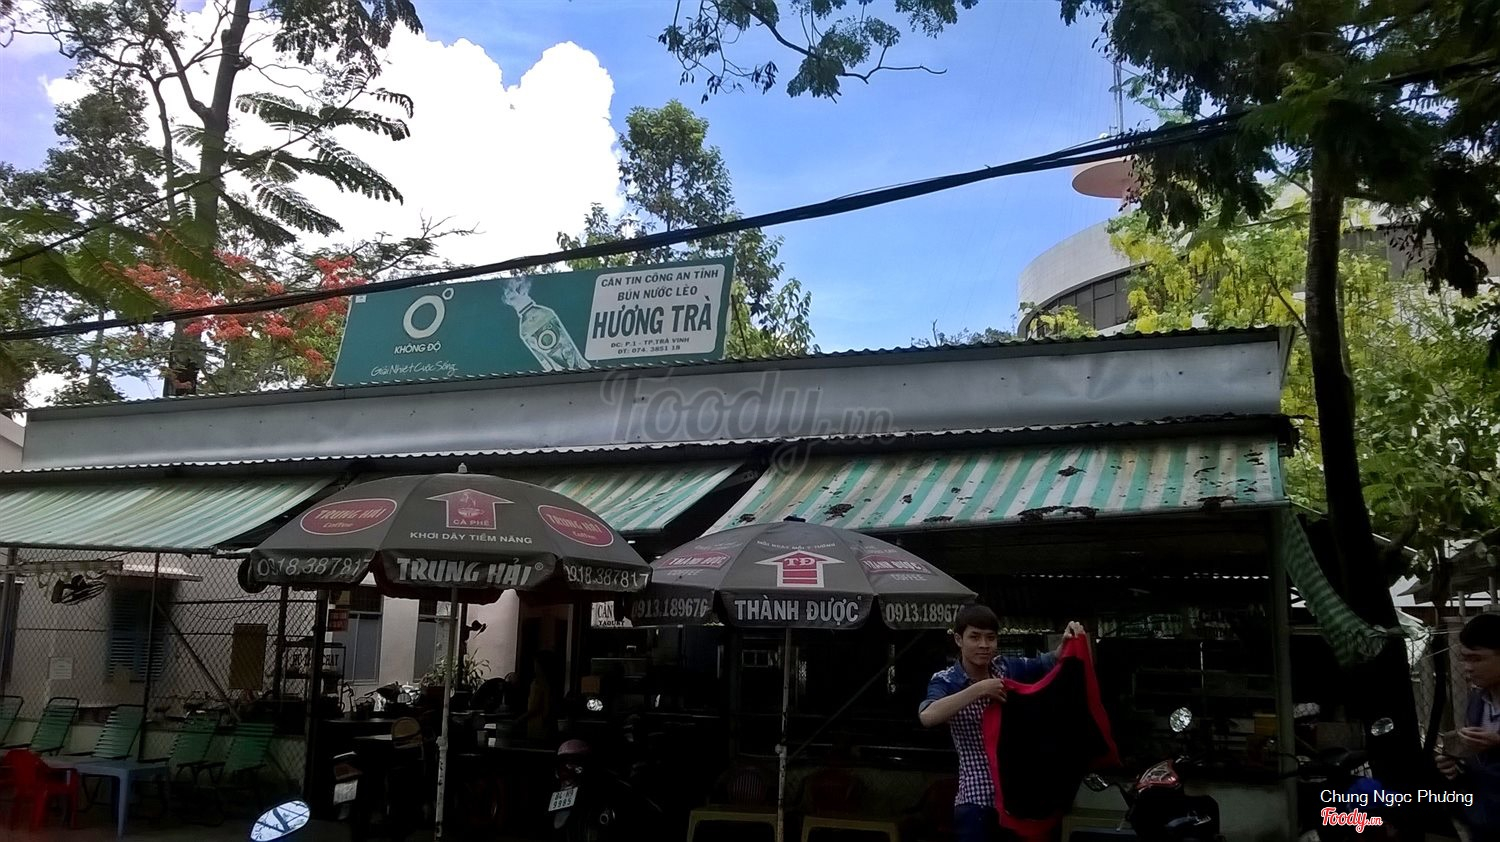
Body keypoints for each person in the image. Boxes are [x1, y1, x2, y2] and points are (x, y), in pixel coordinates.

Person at [918, 605, 1086, 842]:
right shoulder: (946, 680)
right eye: (975, 637)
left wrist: (1069, 640)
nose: (984, 645)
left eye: (991, 638)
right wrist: (979, 689)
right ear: (958, 639)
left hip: (1016, 799)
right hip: (976, 799)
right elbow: (928, 715)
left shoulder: (1005, 668)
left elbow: (1049, 662)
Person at [1438, 613, 1500, 840]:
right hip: (1484, 819)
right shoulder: (1477, 701)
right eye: (1464, 659)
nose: (1468, 668)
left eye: (1476, 659)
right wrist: (1455, 766)